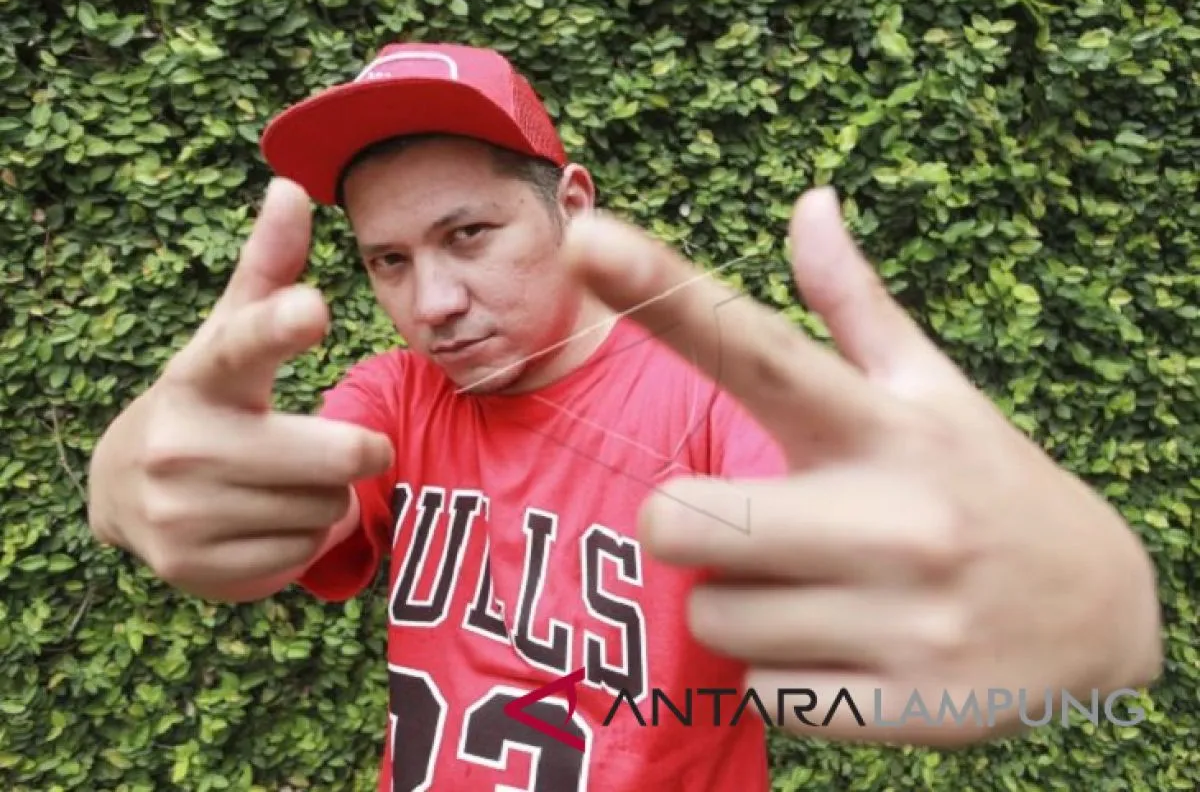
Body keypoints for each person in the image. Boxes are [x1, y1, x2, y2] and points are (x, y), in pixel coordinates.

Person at [85, 42, 1163, 791]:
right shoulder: (397, 397)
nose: (434, 301)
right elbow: (270, 502)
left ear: (573, 204)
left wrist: (1092, 605)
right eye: (389, 261)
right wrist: (129, 474)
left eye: (468, 234)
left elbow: (887, 538)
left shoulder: (707, 398)